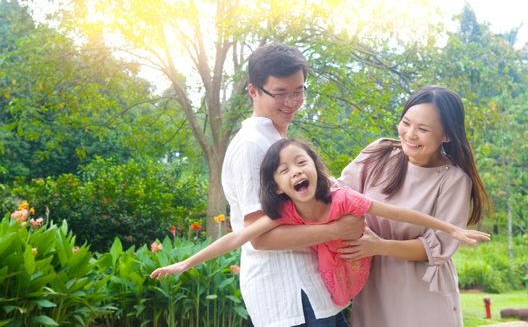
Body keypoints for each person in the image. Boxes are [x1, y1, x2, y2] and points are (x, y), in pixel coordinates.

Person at [150, 138, 489, 307]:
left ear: (315, 167)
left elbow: (399, 213)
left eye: (301, 162)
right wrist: (186, 263)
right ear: (277, 187)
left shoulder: (343, 199)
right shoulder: (283, 212)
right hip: (334, 283)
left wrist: (450, 228)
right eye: (284, 170)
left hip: (359, 269)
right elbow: (237, 239)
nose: (295, 171)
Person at [213, 43, 365, 327]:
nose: (292, 101)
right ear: (253, 91)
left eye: (298, 91)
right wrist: (334, 229)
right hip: (287, 294)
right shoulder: (251, 146)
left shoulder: (277, 142)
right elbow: (259, 237)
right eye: (280, 93)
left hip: (313, 289)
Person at [337, 86, 494, 327]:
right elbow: (338, 198)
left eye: (423, 129)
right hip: (372, 284)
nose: (410, 134)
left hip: (421, 292)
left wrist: (378, 246)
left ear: (447, 135)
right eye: (406, 123)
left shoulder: (453, 180)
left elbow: (434, 248)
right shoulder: (378, 153)